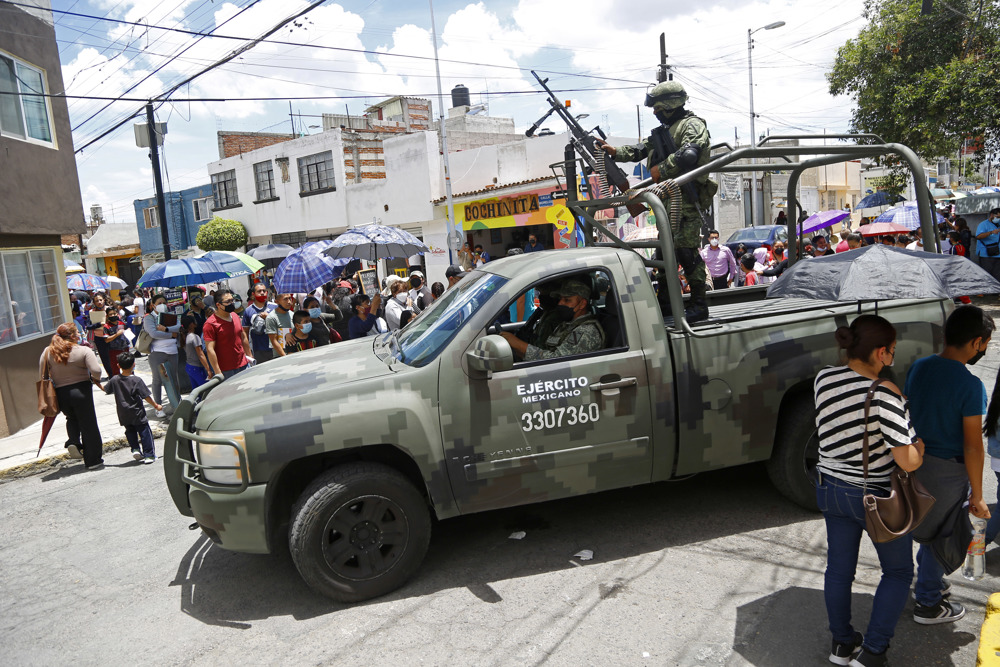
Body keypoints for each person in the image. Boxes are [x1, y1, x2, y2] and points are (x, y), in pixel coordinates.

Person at [814, 315, 924, 667]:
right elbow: (907, 461)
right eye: (891, 351)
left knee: (838, 570)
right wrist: (918, 444)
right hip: (875, 497)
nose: (891, 357)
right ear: (881, 352)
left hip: (829, 488)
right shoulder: (884, 395)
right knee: (898, 573)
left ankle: (842, 645)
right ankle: (873, 652)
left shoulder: (823, 378)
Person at [598, 80, 717, 322]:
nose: (654, 112)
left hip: (686, 198)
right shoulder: (665, 131)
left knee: (685, 252)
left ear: (671, 105)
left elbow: (690, 154)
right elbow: (641, 149)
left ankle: (699, 303)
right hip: (669, 199)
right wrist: (614, 152)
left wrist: (660, 169)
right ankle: (665, 302)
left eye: (658, 108)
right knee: (663, 254)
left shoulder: (691, 125)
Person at [906, 306, 993, 625]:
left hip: (915, 463)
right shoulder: (970, 386)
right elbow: (972, 445)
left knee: (925, 528)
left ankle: (926, 585)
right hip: (948, 472)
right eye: (985, 343)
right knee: (940, 536)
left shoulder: (920, 367)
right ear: (976, 343)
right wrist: (978, 495)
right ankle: (927, 603)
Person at [40, 323, 105, 469]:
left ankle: (74, 441)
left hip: (61, 393)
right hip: (81, 391)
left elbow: (41, 372)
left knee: (71, 418)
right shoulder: (83, 350)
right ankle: (93, 460)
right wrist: (95, 379)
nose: (80, 335)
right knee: (89, 425)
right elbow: (96, 370)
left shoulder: (48, 351)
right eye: (77, 332)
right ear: (72, 336)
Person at [500, 279, 604, 361]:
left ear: (582, 304)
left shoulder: (587, 331)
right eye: (561, 299)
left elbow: (556, 361)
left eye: (567, 300)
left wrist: (518, 344)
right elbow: (546, 349)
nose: (560, 303)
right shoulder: (567, 324)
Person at [103, 351, 161, 464]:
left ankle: (135, 448)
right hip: (137, 412)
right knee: (144, 432)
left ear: (118, 365)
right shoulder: (136, 380)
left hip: (123, 413)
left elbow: (106, 389)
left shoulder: (114, 379)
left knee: (129, 431)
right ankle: (149, 455)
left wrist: (96, 382)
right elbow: (146, 396)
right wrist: (156, 405)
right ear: (134, 364)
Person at [143, 294, 181, 418]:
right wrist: (171, 334)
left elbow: (178, 327)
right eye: (159, 303)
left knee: (174, 378)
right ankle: (158, 406)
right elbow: (154, 333)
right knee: (158, 380)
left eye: (164, 302)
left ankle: (176, 403)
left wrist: (165, 329)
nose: (162, 305)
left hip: (173, 351)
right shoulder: (149, 318)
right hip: (158, 352)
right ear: (153, 305)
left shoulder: (171, 316)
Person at [203, 289, 253, 379]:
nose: (232, 303)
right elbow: (210, 350)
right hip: (226, 371)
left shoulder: (235, 316)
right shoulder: (210, 324)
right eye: (228, 301)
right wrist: (218, 372)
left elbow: (243, 337)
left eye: (232, 300)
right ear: (218, 305)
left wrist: (249, 356)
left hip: (244, 365)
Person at [242, 283, 277, 363]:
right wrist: (248, 353)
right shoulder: (248, 311)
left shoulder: (275, 307)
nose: (262, 293)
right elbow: (244, 333)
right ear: (253, 294)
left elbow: (282, 325)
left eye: (264, 291)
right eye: (259, 291)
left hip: (276, 348)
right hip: (259, 350)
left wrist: (269, 318)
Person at [180, 314, 212, 390]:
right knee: (205, 389)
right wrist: (208, 369)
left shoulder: (184, 337)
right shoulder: (194, 337)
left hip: (189, 367)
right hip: (196, 367)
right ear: (191, 324)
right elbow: (200, 354)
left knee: (197, 390)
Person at [265, 293, 296, 358]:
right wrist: (285, 357)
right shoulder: (271, 318)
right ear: (277, 302)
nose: (289, 302)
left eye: (290, 298)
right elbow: (274, 341)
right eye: (285, 299)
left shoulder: (292, 314)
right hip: (281, 356)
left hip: (294, 353)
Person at [89, 292, 113, 378]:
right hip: (99, 338)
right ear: (94, 303)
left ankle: (116, 372)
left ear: (104, 300)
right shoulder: (91, 312)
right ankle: (110, 375)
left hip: (110, 336)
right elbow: (88, 326)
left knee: (113, 355)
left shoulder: (109, 309)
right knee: (104, 357)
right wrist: (99, 324)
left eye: (100, 300)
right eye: (96, 301)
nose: (99, 302)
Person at [976, 208, 1000, 283]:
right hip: (986, 253)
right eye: (998, 217)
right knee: (986, 273)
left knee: (997, 273)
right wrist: (991, 232)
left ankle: (996, 291)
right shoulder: (983, 224)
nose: (999, 219)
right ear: (992, 215)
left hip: (998, 253)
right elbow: (978, 236)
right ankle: (983, 291)